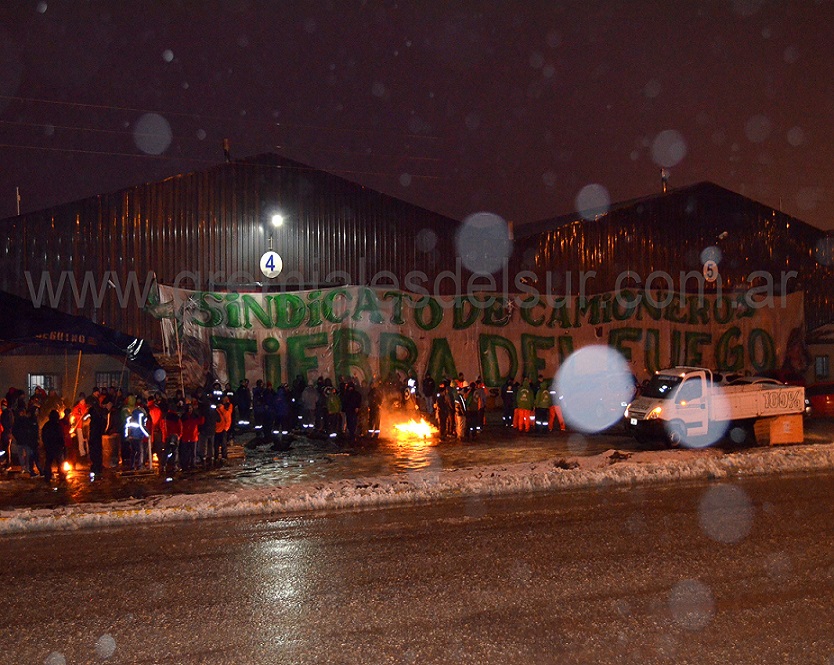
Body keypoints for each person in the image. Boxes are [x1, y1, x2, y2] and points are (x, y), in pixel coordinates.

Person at [41, 409, 66, 482]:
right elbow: (60, 436)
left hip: (49, 446)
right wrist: (62, 444)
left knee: (48, 462)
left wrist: (45, 444)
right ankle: (61, 475)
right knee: (59, 462)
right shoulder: (57, 426)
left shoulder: (46, 425)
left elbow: (43, 436)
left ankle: (47, 475)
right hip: (57, 446)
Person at [214, 394, 233, 464]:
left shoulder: (226, 407)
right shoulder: (224, 408)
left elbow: (226, 416)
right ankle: (220, 457)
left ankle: (220, 457)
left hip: (220, 429)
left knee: (220, 444)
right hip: (221, 429)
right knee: (220, 444)